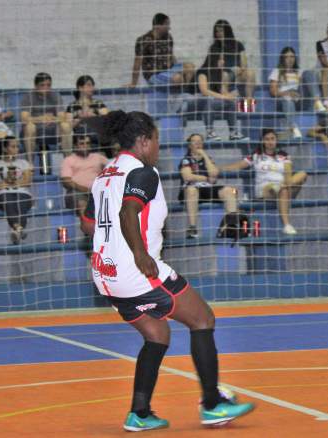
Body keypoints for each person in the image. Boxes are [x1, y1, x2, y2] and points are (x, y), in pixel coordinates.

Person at [79, 110, 255, 431]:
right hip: (137, 270)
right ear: (144, 141)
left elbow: (88, 222)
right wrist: (138, 252)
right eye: (157, 139)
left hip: (105, 275)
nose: (159, 147)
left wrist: (114, 246)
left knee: (157, 334)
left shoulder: (105, 174)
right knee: (202, 318)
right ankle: (213, 405)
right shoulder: (143, 172)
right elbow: (128, 211)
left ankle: (140, 413)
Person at [222, 129, 306, 235]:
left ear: (276, 140)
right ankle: (286, 225)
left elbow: (288, 175)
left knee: (302, 174)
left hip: (284, 186)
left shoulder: (284, 155)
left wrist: (285, 184)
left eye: (272, 139)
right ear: (262, 141)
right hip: (266, 190)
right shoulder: (256, 155)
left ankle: (282, 189)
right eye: (267, 139)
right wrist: (219, 168)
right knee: (281, 189)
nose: (270, 142)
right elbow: (238, 165)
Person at [179, 134, 240, 239]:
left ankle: (230, 226)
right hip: (191, 190)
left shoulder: (208, 159)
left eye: (200, 141)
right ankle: (192, 228)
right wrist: (206, 178)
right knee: (191, 190)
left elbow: (214, 173)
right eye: (194, 141)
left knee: (231, 191)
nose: (198, 143)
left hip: (207, 189)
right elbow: (187, 176)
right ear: (189, 145)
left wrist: (205, 155)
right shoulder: (186, 160)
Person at [187, 52, 247, 141]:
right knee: (208, 99)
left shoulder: (220, 74)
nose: (223, 62)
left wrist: (233, 95)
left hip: (209, 102)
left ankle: (233, 133)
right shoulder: (202, 72)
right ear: (214, 60)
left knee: (231, 103)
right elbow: (204, 91)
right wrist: (224, 97)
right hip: (193, 101)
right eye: (220, 59)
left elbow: (223, 93)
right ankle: (210, 132)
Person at [126, 13, 194, 88]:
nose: (169, 28)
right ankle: (179, 86)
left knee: (190, 67)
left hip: (169, 70)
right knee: (178, 78)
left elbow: (171, 56)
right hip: (154, 75)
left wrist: (178, 69)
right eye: (167, 25)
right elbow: (137, 63)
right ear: (157, 26)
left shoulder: (168, 37)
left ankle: (187, 91)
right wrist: (133, 83)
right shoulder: (143, 40)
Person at [0, 136, 33, 245]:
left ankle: (17, 230)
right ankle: (19, 229)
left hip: (22, 192)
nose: (17, 149)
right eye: (13, 147)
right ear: (4, 149)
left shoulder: (23, 163)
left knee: (20, 201)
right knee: (8, 200)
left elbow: (28, 182)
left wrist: (15, 183)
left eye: (17, 147)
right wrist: (0, 185)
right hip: (3, 193)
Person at [20, 72, 72, 160]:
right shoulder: (28, 96)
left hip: (52, 130)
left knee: (66, 125)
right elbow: (24, 118)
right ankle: (30, 163)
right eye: (42, 85)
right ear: (35, 86)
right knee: (30, 127)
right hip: (35, 131)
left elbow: (62, 117)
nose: (46, 88)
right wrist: (41, 118)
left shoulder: (55, 95)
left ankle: (69, 162)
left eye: (48, 85)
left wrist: (51, 119)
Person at [60, 132, 109, 216]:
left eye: (87, 143)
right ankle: (86, 227)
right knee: (81, 201)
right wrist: (86, 190)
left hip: (98, 191)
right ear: (75, 146)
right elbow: (66, 181)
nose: (85, 145)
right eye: (82, 143)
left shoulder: (99, 157)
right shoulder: (68, 160)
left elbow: (113, 168)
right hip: (77, 192)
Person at [209, 19, 255, 98]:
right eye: (216, 32)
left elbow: (244, 64)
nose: (218, 34)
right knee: (224, 75)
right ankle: (228, 105)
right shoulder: (214, 48)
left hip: (238, 73)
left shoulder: (238, 45)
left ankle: (247, 107)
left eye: (221, 31)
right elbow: (215, 68)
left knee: (250, 73)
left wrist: (238, 70)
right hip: (224, 75)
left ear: (227, 31)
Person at [66, 75, 110, 154]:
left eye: (92, 85)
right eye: (89, 85)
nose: (92, 88)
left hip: (96, 133)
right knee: (81, 134)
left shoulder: (98, 104)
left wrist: (93, 116)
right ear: (80, 88)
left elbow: (108, 120)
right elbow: (68, 127)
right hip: (80, 134)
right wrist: (80, 118)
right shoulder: (72, 106)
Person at [268, 47, 304, 139]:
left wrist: (297, 93)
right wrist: (287, 93)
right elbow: (273, 92)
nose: (290, 59)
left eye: (292, 57)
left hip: (298, 100)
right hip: (283, 101)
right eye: (287, 57)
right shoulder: (277, 71)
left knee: (309, 74)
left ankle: (318, 102)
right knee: (287, 100)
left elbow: (303, 89)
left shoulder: (299, 72)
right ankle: (293, 128)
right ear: (283, 59)